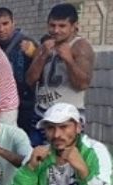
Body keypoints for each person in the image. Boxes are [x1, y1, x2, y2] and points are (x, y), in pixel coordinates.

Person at [26, 3, 95, 144]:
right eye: (52, 25)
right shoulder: (44, 47)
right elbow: (30, 80)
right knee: (37, 159)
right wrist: (42, 56)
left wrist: (69, 60)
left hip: (67, 117)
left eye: (62, 26)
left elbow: (82, 84)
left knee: (65, 161)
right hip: (42, 113)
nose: (56, 30)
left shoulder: (80, 46)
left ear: (74, 26)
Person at [0, 8, 38, 137]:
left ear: (13, 23)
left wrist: (35, 54)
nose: (1, 29)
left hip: (25, 104)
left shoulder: (27, 42)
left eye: (5, 24)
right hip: (1, 105)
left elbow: (41, 71)